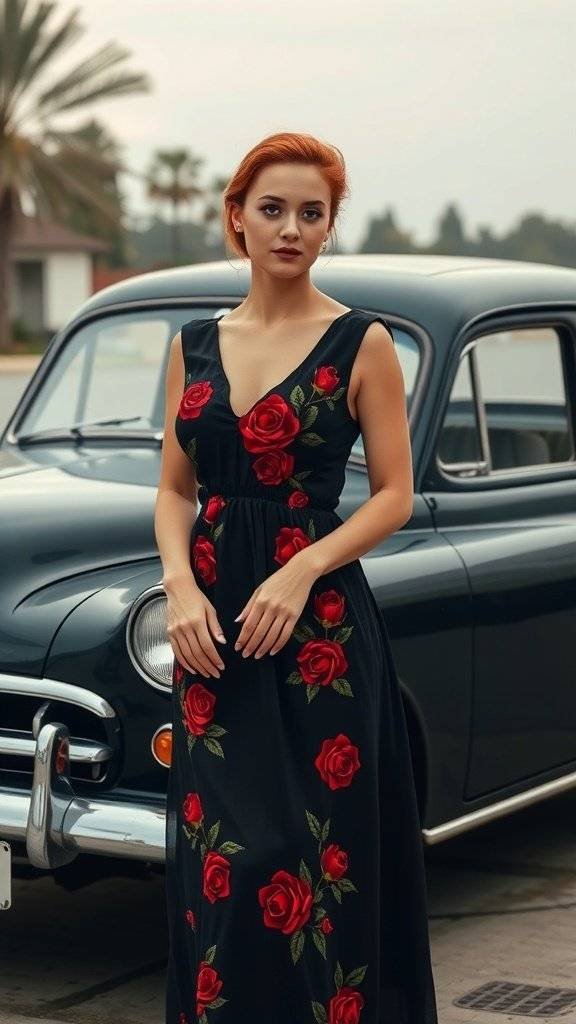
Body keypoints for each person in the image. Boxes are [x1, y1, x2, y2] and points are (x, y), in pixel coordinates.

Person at [155, 130, 438, 1024]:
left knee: (309, 867)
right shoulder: (193, 344)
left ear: (327, 228)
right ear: (237, 217)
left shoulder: (363, 343)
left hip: (319, 640)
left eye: (311, 213)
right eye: (272, 209)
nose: (290, 228)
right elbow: (173, 491)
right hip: (211, 638)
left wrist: (302, 569)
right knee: (223, 867)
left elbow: (394, 495)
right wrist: (178, 587)